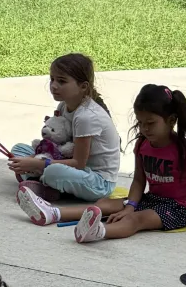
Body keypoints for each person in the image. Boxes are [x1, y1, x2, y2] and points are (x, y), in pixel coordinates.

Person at [18, 84, 186, 242]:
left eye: (151, 123)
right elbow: (138, 181)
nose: (145, 128)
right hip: (153, 199)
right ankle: (53, 213)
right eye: (140, 123)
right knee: (106, 205)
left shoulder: (185, 151)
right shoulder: (143, 144)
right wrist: (131, 205)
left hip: (180, 208)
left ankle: (99, 231)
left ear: (171, 120)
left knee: (136, 220)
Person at [7, 54, 120, 203]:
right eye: (52, 79)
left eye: (61, 81)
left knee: (53, 171)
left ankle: (40, 181)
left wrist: (37, 163)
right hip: (70, 165)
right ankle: (43, 182)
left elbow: (78, 164)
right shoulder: (63, 105)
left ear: (83, 86)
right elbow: (57, 144)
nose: (54, 85)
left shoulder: (86, 117)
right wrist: (34, 158)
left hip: (97, 181)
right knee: (19, 150)